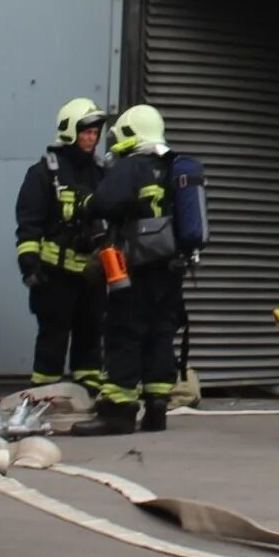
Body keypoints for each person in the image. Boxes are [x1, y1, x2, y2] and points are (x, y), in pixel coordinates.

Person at [72, 104, 187, 438]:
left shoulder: (130, 166)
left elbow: (105, 203)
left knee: (124, 330)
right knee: (160, 333)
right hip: (170, 265)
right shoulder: (175, 166)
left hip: (135, 264)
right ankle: (156, 408)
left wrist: (83, 203)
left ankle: (118, 412)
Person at [13, 98, 107, 396]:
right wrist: (30, 266)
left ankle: (87, 397)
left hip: (92, 276)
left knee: (90, 342)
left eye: (95, 132)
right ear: (69, 131)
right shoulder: (44, 173)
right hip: (54, 277)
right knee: (52, 341)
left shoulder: (101, 172)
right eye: (86, 132)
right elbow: (29, 224)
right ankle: (45, 398)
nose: (92, 138)